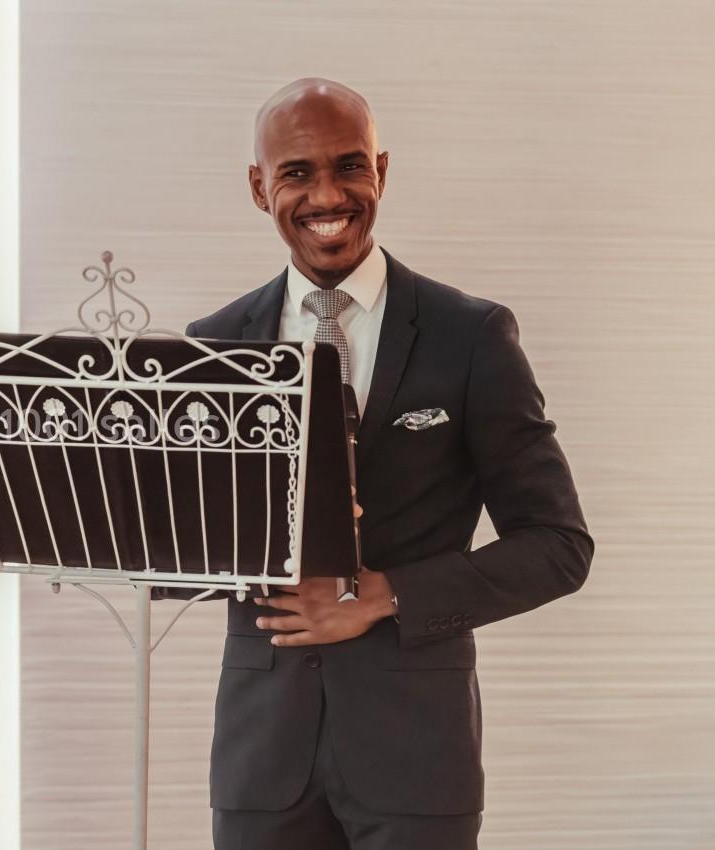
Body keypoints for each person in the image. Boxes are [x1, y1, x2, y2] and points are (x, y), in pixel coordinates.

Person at [188, 78, 593, 850]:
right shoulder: (212, 346)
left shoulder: (469, 336)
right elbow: (187, 543)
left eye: (349, 167)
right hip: (260, 758)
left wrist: (384, 596)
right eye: (297, 173)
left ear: (382, 170)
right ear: (257, 186)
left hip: (417, 756)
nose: (327, 195)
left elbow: (558, 546)